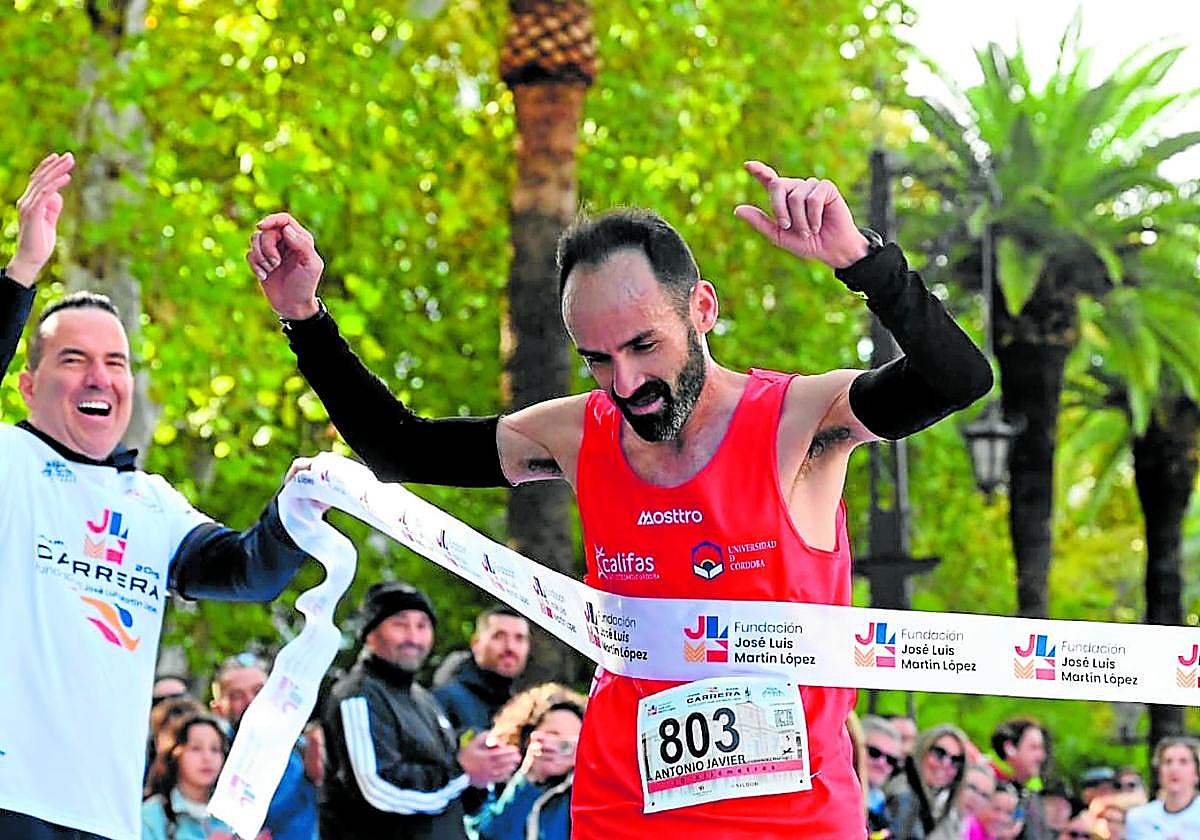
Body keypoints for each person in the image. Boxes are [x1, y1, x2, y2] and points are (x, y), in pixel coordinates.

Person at [249, 161, 993, 838]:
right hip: (626, 810)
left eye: (644, 347)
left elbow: (957, 380)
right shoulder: (580, 434)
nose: (626, 385)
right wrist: (305, 319)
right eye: (598, 359)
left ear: (701, 308)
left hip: (791, 819)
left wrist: (865, 264)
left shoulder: (800, 423)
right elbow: (399, 449)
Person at [0, 152, 310, 840]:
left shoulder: (151, 503)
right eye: (73, 360)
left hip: (107, 816)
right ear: (27, 385)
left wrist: (293, 514)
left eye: (116, 363)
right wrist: (24, 269)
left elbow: (247, 572)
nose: (99, 379)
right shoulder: (9, 461)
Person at [318, 581, 521, 839]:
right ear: (370, 633)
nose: (413, 638)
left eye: (422, 626)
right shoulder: (356, 695)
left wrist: (483, 771)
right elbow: (379, 789)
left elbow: (451, 799)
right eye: (400, 624)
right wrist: (463, 771)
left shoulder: (425, 700)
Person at [210, 652, 321, 840]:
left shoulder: (302, 747)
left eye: (259, 690)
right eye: (237, 695)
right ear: (218, 708)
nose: (252, 701)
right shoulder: (210, 759)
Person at [467, 684, 587, 840]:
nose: (561, 746)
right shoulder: (492, 782)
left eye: (572, 740)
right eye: (552, 734)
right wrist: (528, 779)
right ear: (527, 736)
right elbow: (487, 834)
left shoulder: (583, 796)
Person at [434, 606, 531, 739]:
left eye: (519, 638)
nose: (510, 647)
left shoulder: (526, 712)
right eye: (499, 636)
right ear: (476, 644)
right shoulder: (442, 701)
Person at [141, 713, 242, 840]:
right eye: (196, 748)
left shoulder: (236, 815)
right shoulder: (152, 817)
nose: (207, 757)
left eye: (215, 749)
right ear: (175, 753)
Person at [883, 724, 969, 839]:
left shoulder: (938, 806)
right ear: (922, 749)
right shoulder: (903, 796)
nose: (946, 764)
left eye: (956, 760)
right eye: (939, 753)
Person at [1125, 736, 1200, 838]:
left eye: (1183, 762)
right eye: (1168, 762)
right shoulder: (1138, 818)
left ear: (1196, 773)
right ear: (1159, 772)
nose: (1174, 768)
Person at [989, 718, 1049, 839]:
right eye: (1034, 747)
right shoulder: (988, 789)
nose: (1041, 756)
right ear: (1009, 748)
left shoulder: (1031, 796)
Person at [862, 715, 903, 833]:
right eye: (874, 752)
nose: (882, 763)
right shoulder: (835, 795)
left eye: (891, 760)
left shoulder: (885, 806)